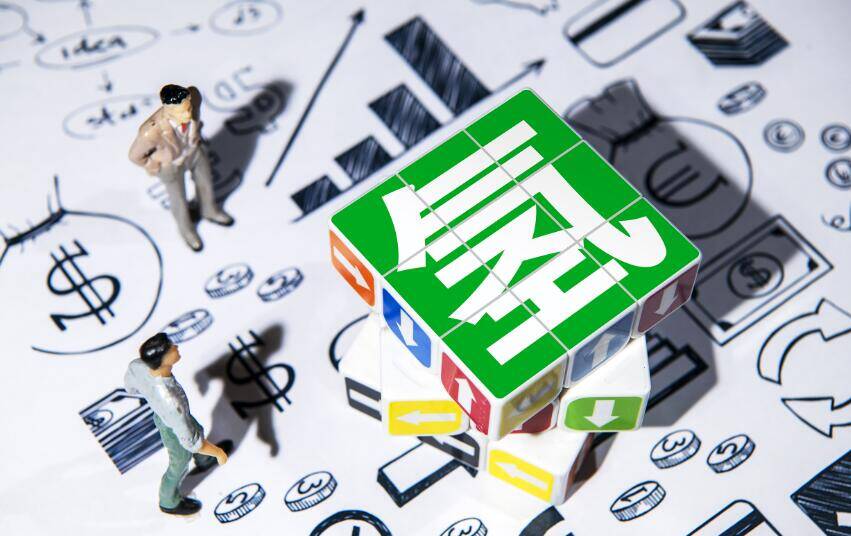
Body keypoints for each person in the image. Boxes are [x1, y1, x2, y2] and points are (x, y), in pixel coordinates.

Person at [125, 333, 228, 515]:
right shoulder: (171, 402)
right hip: (171, 423)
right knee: (179, 462)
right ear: (163, 359)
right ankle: (168, 501)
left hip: (169, 416)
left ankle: (203, 460)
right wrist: (218, 452)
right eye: (171, 348)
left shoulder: (138, 365)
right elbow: (191, 441)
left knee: (196, 429)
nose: (176, 347)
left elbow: (130, 385)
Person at [128, 84, 233, 251]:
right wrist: (155, 166)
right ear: (168, 110)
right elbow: (135, 156)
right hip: (170, 164)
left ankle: (209, 210)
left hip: (193, 150)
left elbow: (194, 113)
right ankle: (187, 231)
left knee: (205, 180)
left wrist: (195, 138)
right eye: (182, 112)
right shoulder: (150, 132)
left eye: (188, 108)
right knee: (178, 199)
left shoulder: (194, 97)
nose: (188, 114)